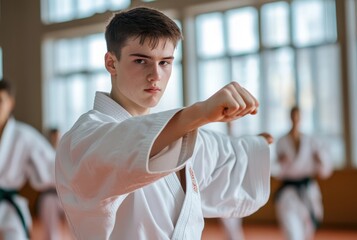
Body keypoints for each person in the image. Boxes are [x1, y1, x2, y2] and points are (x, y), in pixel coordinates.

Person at [55, 7, 273, 240]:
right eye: (141, 61)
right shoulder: (84, 138)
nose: (156, 75)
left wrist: (261, 143)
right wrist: (200, 112)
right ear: (111, 63)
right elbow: (125, 146)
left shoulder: (183, 135)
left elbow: (225, 154)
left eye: (165, 62)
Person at [0, 79, 56, 240]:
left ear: (11, 103)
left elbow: (51, 166)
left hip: (9, 209)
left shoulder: (24, 136)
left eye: (0, 101)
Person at [274, 106, 333, 240]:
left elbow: (325, 171)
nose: (295, 119)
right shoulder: (282, 142)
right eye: (293, 116)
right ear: (290, 118)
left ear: (301, 118)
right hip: (288, 193)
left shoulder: (311, 141)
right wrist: (280, 162)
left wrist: (320, 159)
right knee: (293, 234)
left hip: (308, 191)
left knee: (307, 233)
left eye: (298, 116)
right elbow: (276, 171)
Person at [36, 128, 65, 240]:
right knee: (51, 232)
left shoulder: (65, 152)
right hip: (49, 194)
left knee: (76, 227)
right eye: (54, 136)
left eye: (58, 136)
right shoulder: (43, 153)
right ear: (50, 137)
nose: (56, 139)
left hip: (65, 194)